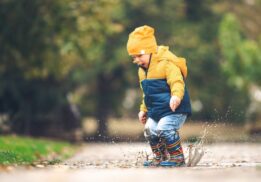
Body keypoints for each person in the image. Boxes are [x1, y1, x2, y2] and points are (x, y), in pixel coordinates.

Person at [126, 25, 192, 167]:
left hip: (174, 109)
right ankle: (160, 157)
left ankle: (178, 158)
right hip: (157, 111)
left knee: (165, 128)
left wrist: (176, 96)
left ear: (150, 51)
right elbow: (147, 94)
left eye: (140, 55)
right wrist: (143, 109)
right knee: (150, 131)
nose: (137, 60)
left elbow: (177, 82)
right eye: (134, 57)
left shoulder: (166, 63)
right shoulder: (142, 71)